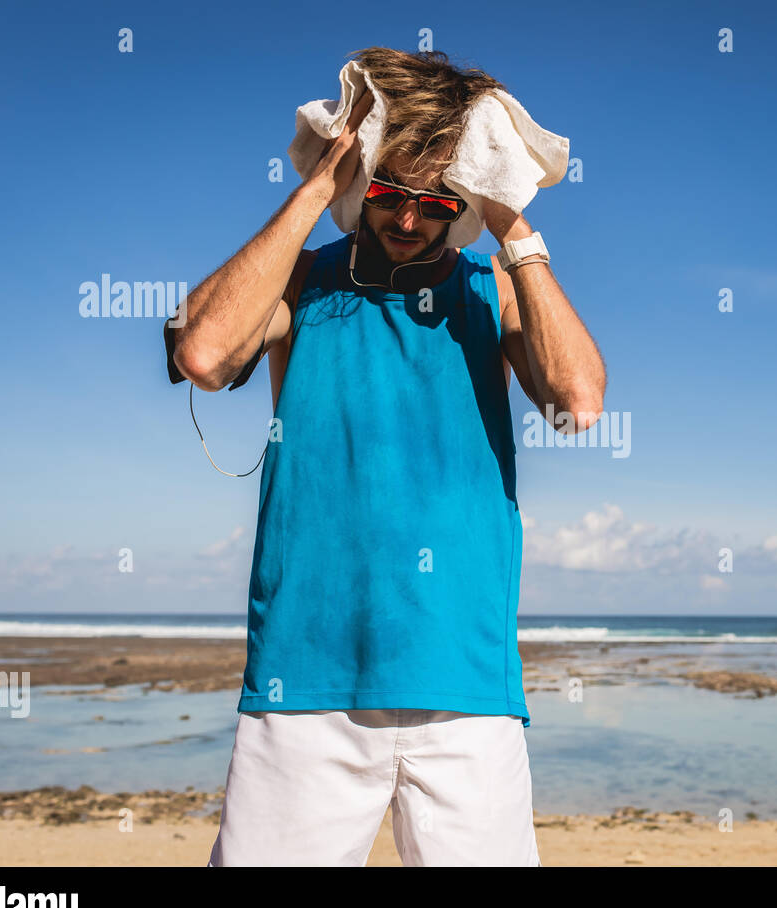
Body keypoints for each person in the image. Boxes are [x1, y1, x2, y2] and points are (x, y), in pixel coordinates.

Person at [164, 47, 605, 866]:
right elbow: (204, 353)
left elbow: (577, 401)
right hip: (306, 686)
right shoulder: (303, 285)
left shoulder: (493, 288)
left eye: (436, 201)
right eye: (390, 192)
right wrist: (315, 191)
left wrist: (512, 219)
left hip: (466, 689)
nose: (409, 219)